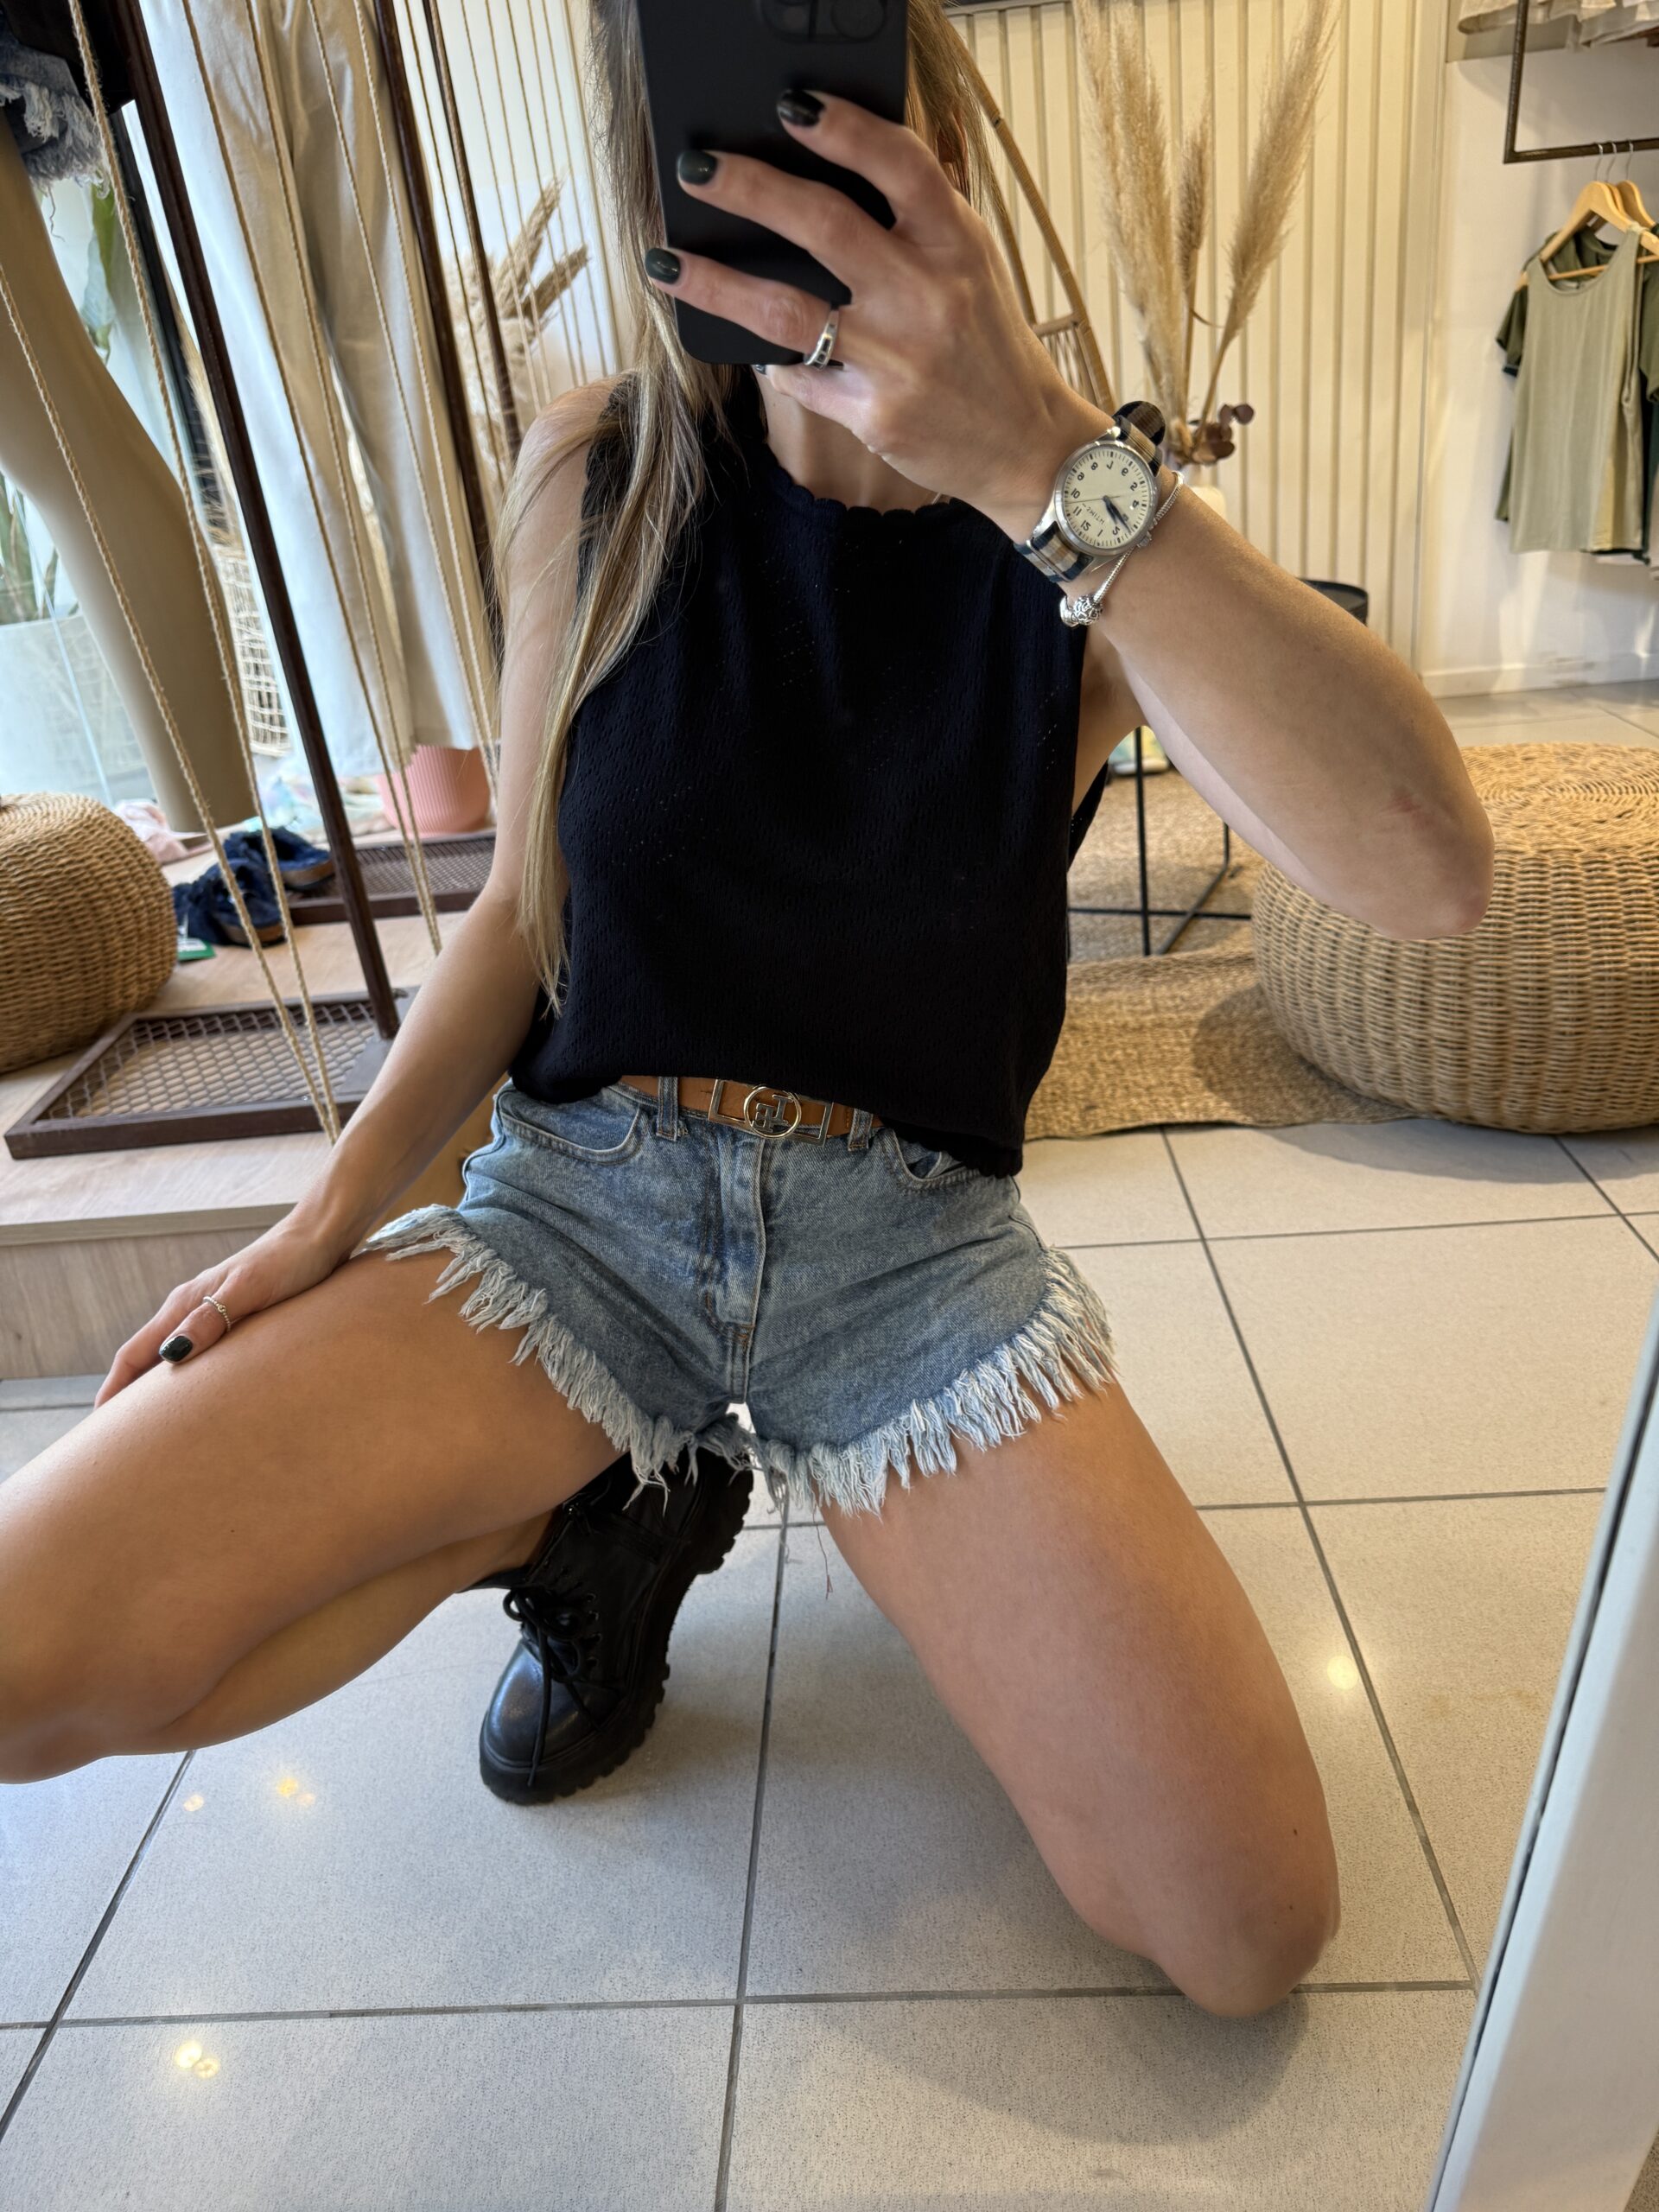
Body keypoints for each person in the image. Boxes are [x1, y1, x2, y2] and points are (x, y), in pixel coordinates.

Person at [0, 0, 1492, 2020]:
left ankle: (602, 1479)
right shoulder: (597, 470)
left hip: (909, 1270)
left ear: (925, 114)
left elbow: (1429, 871)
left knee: (1244, 1930)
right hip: (578, 1221)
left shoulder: (1078, 516)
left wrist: (1038, 452)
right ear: (654, 146)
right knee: (32, 1654)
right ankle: (592, 1502)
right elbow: (519, 907)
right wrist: (325, 1215)